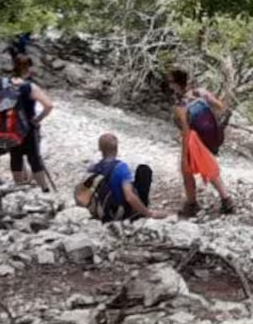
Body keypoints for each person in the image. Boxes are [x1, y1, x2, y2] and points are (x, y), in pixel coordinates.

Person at [0, 54, 56, 192]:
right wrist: (37, 120)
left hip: (9, 128)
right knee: (34, 158)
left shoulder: (2, 83)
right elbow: (49, 105)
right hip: (28, 128)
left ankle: (19, 189)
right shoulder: (29, 87)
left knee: (15, 156)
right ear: (27, 69)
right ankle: (44, 190)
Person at [167, 69, 235, 217]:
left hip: (194, 141)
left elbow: (186, 132)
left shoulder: (180, 106)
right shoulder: (201, 93)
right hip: (209, 137)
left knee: (187, 170)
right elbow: (220, 107)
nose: (169, 85)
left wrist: (185, 155)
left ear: (178, 84)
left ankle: (192, 204)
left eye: (171, 82)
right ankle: (226, 200)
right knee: (209, 167)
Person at [77, 133, 155, 223]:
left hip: (100, 210)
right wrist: (149, 214)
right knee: (144, 170)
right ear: (117, 149)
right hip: (116, 212)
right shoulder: (121, 168)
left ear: (99, 148)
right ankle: (140, 213)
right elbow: (129, 197)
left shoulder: (93, 168)